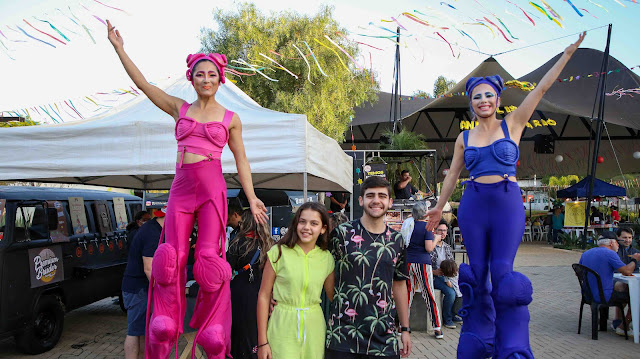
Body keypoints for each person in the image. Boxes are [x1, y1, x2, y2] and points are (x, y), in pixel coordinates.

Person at [107, 20, 268, 359]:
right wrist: (120, 49)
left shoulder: (230, 118)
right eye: (199, 74)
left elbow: (242, 160)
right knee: (169, 260)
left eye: (211, 74)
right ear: (191, 78)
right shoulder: (178, 107)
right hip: (180, 189)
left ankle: (212, 329)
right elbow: (143, 85)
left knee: (209, 261)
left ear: (219, 78)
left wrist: (252, 198)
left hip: (211, 189)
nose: (205, 79)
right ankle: (165, 322)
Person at [426, 32, 586, 359]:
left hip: (506, 200)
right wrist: (439, 207)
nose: (483, 100)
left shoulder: (513, 124)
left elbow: (540, 89)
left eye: (488, 95)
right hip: (473, 204)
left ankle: (511, 344)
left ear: (497, 100)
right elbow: (453, 174)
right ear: (471, 103)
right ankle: (477, 338)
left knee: (502, 271)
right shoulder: (464, 137)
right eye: (477, 97)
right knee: (478, 272)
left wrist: (566, 55)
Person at [326, 176, 412, 358]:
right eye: (370, 195)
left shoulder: (397, 241)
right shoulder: (342, 234)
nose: (376, 200)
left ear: (389, 202)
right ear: (361, 200)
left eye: (382, 196)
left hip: (384, 337)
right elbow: (326, 275)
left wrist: (405, 329)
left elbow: (399, 285)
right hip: (343, 337)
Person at [256, 202, 335, 359]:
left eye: (314, 223)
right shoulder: (278, 253)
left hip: (314, 327)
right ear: (295, 224)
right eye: (302, 221)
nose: (307, 227)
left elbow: (334, 296)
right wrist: (262, 342)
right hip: (282, 325)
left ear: (323, 229)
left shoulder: (326, 258)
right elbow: (263, 296)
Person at [227, 210, 274, 359]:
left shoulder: (238, 244)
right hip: (263, 293)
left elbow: (227, 268)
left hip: (239, 294)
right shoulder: (270, 244)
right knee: (258, 328)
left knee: (240, 331)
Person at [121, 206, 166, 359]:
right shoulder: (152, 233)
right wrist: (163, 292)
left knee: (143, 331)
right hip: (138, 289)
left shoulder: (156, 229)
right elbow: (149, 269)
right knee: (134, 332)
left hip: (142, 288)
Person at [579, 232, 640, 335]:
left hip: (587, 295)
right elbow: (627, 271)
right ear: (612, 243)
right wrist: (635, 259)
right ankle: (623, 325)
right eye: (617, 243)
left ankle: (615, 322)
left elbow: (579, 273)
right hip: (604, 296)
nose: (618, 246)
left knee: (622, 288)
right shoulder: (610, 253)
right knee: (636, 297)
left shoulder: (586, 253)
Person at [406, 201, 442, 339]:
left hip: (408, 261)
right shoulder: (427, 227)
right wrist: (436, 238)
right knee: (428, 293)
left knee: (407, 294)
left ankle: (403, 325)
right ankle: (437, 327)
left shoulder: (408, 225)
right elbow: (428, 248)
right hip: (422, 263)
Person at [430, 220, 462, 329]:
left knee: (458, 289)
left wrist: (450, 277)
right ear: (435, 231)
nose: (442, 233)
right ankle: (447, 318)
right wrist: (434, 272)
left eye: (444, 231)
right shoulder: (431, 246)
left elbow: (451, 263)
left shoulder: (447, 247)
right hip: (434, 276)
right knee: (450, 292)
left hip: (446, 276)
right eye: (440, 230)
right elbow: (424, 265)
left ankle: (453, 314)